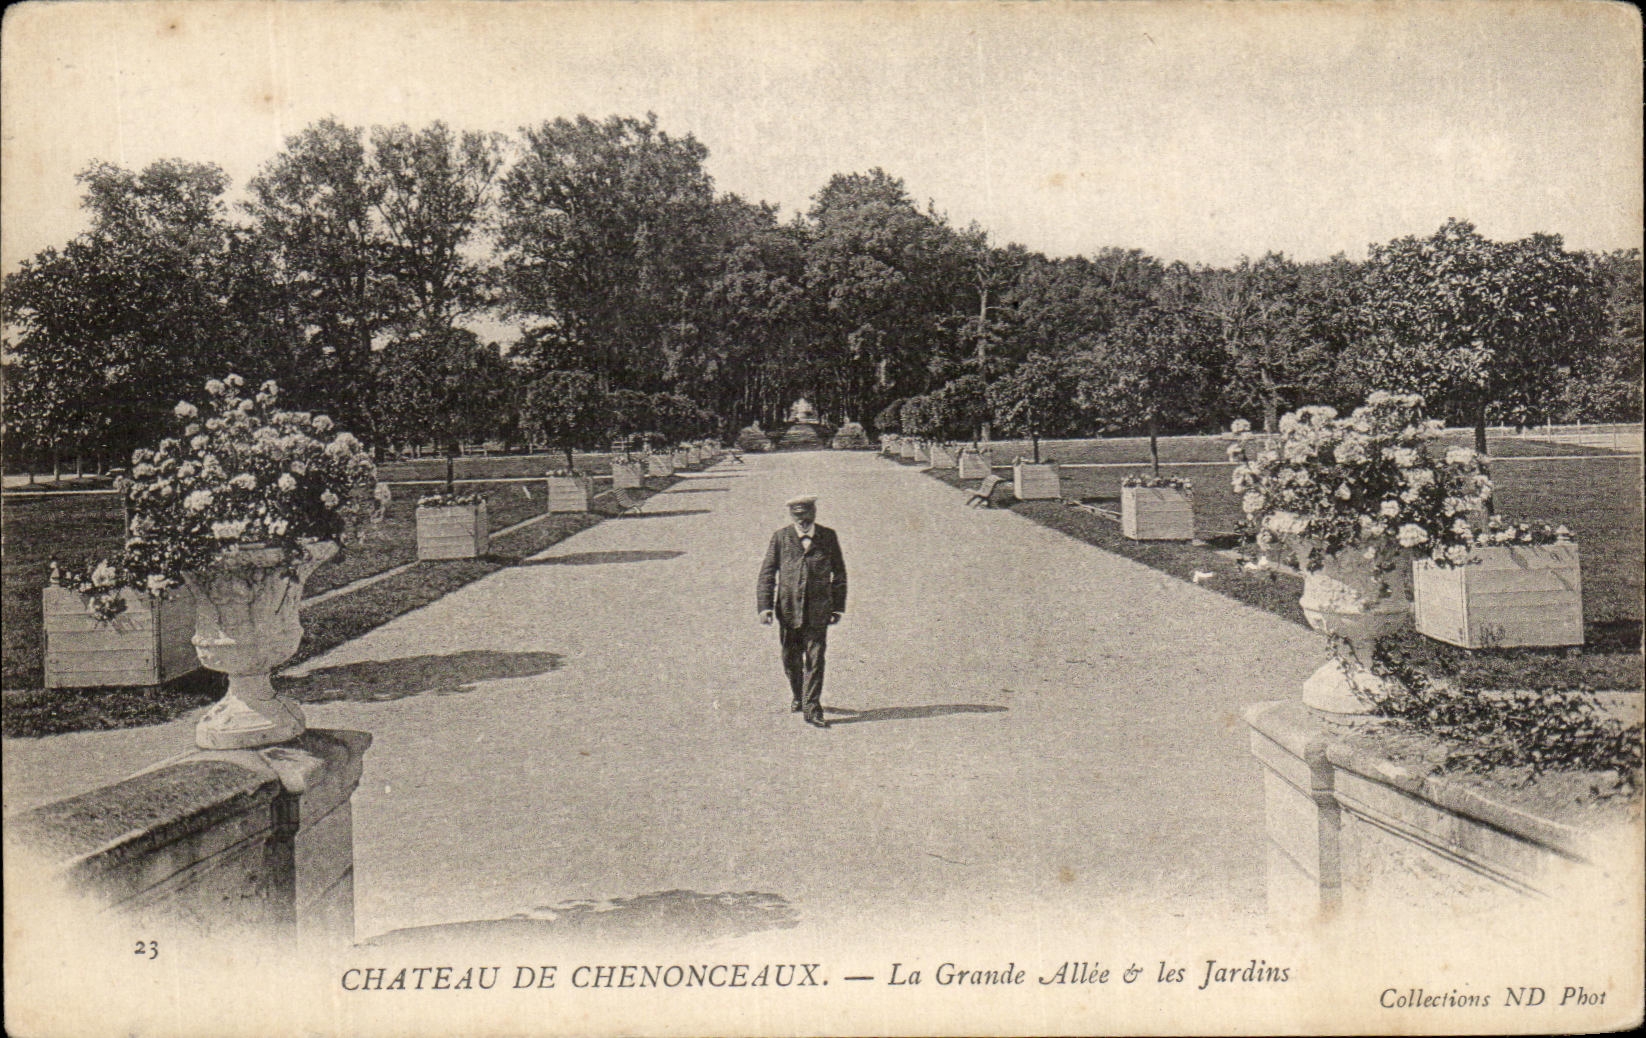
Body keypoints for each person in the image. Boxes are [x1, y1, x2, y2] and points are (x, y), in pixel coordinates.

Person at [757, 494, 847, 729]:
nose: (802, 521)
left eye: (806, 516)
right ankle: (799, 694)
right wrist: (765, 607)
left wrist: (837, 607)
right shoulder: (780, 537)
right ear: (791, 516)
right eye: (797, 517)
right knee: (791, 658)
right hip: (788, 610)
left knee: (815, 659)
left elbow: (839, 573)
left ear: (814, 513)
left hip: (818, 611)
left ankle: (812, 708)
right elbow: (767, 573)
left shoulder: (828, 536)